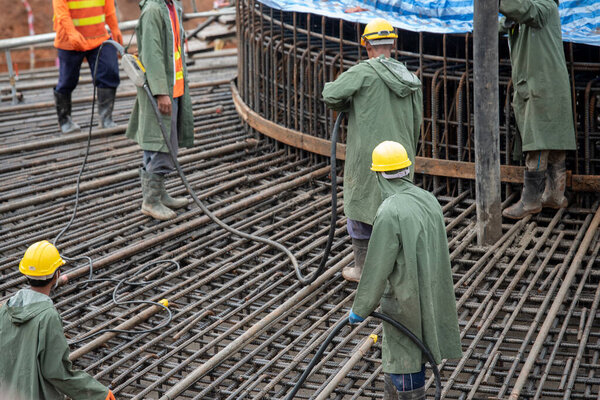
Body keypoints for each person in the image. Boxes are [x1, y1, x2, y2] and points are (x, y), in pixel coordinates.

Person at [347, 141, 462, 400]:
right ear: (407, 169)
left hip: (405, 298)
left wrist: (360, 308)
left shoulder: (390, 211)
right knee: (414, 350)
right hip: (433, 290)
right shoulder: (428, 199)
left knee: (405, 353)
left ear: (378, 174)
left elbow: (377, 266)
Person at [322, 18, 422, 282]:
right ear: (393, 44)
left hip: (369, 157)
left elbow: (330, 95)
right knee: (396, 206)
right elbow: (417, 122)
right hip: (402, 155)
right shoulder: (411, 79)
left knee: (361, 207)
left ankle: (364, 269)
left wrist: (351, 104)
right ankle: (397, 269)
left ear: (365, 43)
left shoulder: (363, 72)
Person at [0, 240, 116, 400]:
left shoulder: (6, 308)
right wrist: (98, 393)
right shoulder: (48, 316)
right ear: (57, 275)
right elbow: (57, 371)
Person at [499, 0, 577, 219]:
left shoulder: (545, 7)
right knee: (550, 141)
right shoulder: (524, 15)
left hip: (543, 87)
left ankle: (532, 200)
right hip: (540, 86)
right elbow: (509, 20)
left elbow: (527, 10)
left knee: (540, 143)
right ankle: (554, 196)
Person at [125, 0, 194, 221]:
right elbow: (153, 54)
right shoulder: (154, 10)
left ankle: (159, 193)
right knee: (160, 143)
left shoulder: (171, 7)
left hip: (174, 87)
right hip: (162, 90)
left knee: (166, 142)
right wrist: (161, 92)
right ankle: (151, 201)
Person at [52, 0, 123, 133]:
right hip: (69, 39)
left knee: (109, 71)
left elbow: (109, 8)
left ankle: (105, 119)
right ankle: (65, 120)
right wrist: (71, 33)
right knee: (67, 80)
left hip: (99, 37)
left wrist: (114, 28)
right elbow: (61, 12)